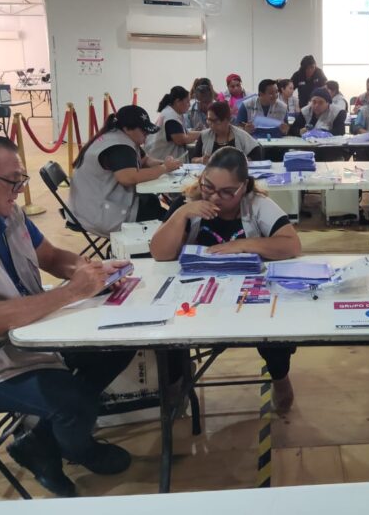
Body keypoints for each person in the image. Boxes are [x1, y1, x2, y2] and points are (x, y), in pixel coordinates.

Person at [0, 134, 135, 497]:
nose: (19, 189)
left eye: (22, 179)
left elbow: (50, 256)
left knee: (117, 346)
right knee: (74, 403)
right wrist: (73, 291)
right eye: (12, 180)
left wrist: (94, 272)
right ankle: (76, 449)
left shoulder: (6, 212)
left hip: (28, 336)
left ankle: (38, 440)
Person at [149, 147, 301, 412]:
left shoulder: (257, 205)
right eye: (208, 187)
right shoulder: (189, 203)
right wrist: (182, 214)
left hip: (248, 294)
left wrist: (244, 244)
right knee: (168, 329)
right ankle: (176, 380)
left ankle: (280, 377)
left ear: (243, 187)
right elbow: (160, 254)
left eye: (227, 192)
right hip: (196, 296)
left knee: (274, 327)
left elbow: (292, 245)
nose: (215, 197)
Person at [70, 106, 180, 237]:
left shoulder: (120, 137)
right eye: (143, 130)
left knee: (152, 202)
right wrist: (164, 168)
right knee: (169, 222)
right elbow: (128, 178)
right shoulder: (119, 146)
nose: (147, 133)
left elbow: (145, 160)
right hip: (97, 213)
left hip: (89, 206)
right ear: (127, 128)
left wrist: (166, 164)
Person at [144, 86, 201, 161]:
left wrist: (204, 133)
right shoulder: (171, 117)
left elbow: (186, 133)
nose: (189, 105)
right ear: (178, 102)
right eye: (187, 101)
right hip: (161, 159)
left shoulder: (173, 113)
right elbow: (181, 140)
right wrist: (202, 134)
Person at [194, 101, 261, 163]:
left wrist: (242, 161)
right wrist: (201, 159)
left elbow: (256, 154)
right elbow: (193, 158)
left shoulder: (241, 136)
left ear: (228, 120)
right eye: (209, 120)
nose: (212, 125)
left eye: (216, 121)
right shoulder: (204, 136)